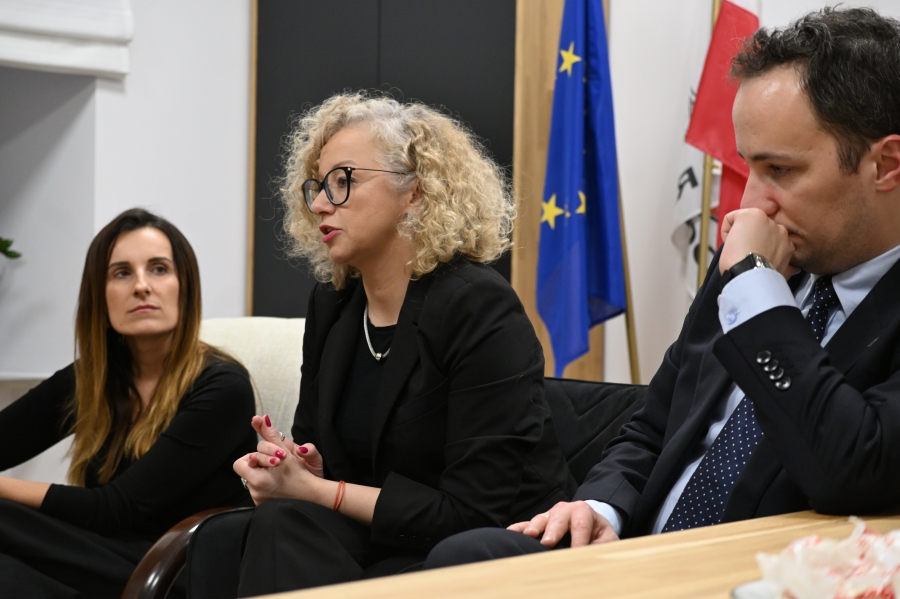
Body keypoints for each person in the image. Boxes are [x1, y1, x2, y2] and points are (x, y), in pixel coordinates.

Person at [424, 6, 900, 567]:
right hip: (638, 554)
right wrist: (602, 507)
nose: (751, 205)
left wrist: (756, 293)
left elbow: (848, 467)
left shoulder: (753, 278)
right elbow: (655, 423)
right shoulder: (751, 262)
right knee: (468, 557)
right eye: (748, 169)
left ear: (886, 164)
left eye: (781, 171)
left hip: (751, 572)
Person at [186, 92, 576, 598]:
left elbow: (473, 512)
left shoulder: (477, 305)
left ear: (414, 192)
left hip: (483, 550)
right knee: (247, 530)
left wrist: (321, 490)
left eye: (343, 180)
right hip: (387, 538)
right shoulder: (334, 304)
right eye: (318, 186)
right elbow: (321, 457)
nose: (320, 204)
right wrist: (297, 467)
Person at [0, 209, 256, 599]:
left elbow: (116, 509)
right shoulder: (93, 379)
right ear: (99, 295)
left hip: (175, 570)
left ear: (184, 286)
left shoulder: (223, 387)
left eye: (158, 269)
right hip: (99, 555)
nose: (141, 286)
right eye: (121, 273)